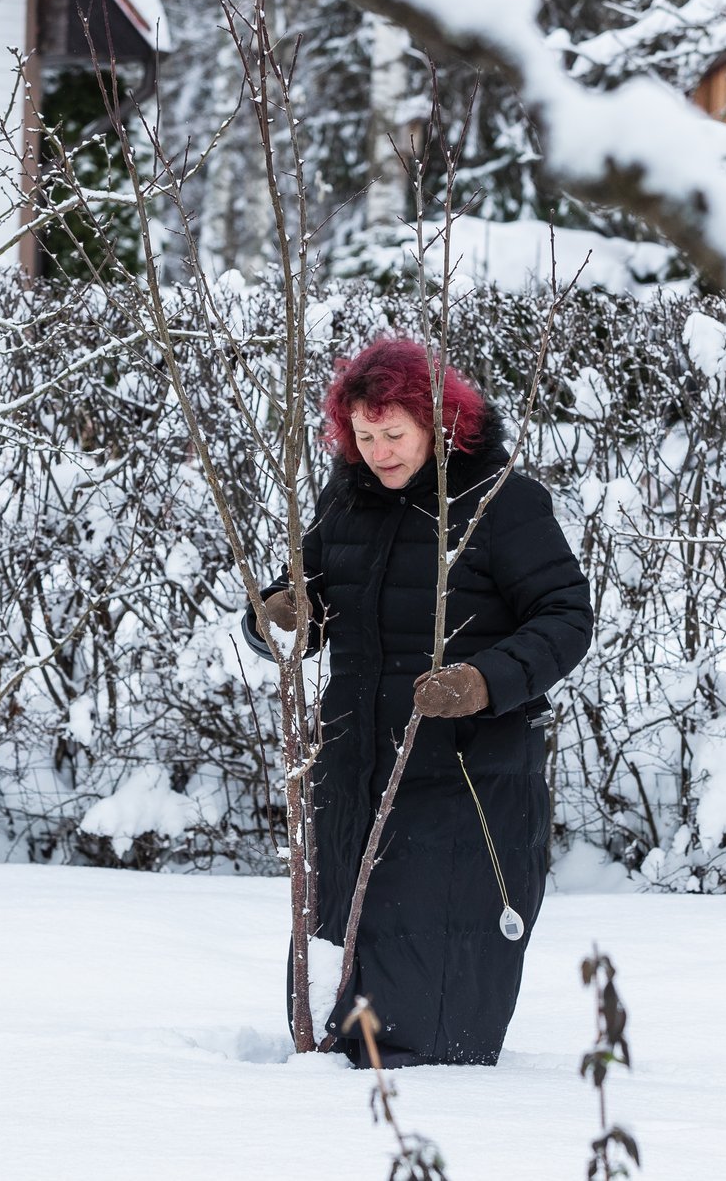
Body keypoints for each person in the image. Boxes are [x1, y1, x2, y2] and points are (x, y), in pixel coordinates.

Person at [242, 337, 593, 1067]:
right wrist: (278, 615)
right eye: (364, 437)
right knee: (344, 955)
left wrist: (484, 681)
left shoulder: (502, 502)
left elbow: (565, 618)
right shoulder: (347, 501)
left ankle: (426, 1105)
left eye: (394, 434)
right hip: (353, 767)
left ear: (439, 422)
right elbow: (308, 599)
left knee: (430, 979)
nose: (379, 453)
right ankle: (328, 1084)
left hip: (465, 775)